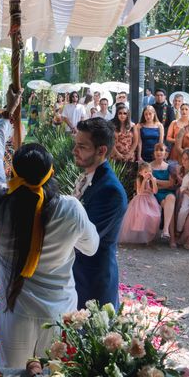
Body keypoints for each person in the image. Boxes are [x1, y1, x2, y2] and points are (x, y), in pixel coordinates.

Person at [0, 87, 99, 367]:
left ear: (13, 172)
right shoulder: (70, 209)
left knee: (14, 372)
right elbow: (91, 247)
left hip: (16, 311)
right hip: (58, 313)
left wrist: (6, 117)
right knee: (53, 372)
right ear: (51, 172)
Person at [72, 118, 128, 308]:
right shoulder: (90, 177)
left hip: (93, 283)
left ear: (101, 150)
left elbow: (84, 238)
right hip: (76, 277)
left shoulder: (110, 191)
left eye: (82, 146)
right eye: (75, 144)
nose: (74, 151)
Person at [118, 162, 161, 244]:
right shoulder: (139, 179)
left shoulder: (153, 180)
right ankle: (139, 235)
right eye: (145, 172)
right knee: (143, 214)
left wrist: (153, 180)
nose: (148, 174)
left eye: (149, 172)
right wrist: (144, 180)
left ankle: (149, 236)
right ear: (140, 173)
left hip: (150, 200)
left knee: (155, 216)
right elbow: (139, 192)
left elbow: (155, 191)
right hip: (141, 200)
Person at [150, 143, 178, 246]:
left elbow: (171, 183)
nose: (158, 152)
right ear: (154, 153)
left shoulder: (169, 167)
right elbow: (151, 185)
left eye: (161, 150)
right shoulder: (150, 166)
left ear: (165, 154)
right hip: (155, 193)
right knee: (169, 206)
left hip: (168, 193)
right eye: (156, 150)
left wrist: (156, 180)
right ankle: (171, 238)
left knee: (170, 198)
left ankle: (166, 230)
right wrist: (162, 184)